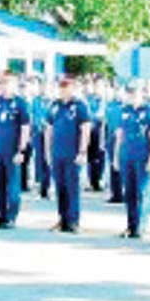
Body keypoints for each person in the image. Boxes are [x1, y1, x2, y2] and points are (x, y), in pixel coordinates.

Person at [44, 77, 91, 233]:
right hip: (57, 152)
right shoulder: (54, 105)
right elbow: (49, 129)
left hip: (73, 153)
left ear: (73, 88)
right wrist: (47, 151)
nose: (64, 90)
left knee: (72, 187)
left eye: (67, 87)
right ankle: (62, 219)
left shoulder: (80, 106)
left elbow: (85, 129)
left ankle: (73, 221)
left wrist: (82, 151)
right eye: (61, 87)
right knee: (60, 187)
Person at [0, 72, 30, 229]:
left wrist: (21, 150)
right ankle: (1, 215)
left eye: (8, 83)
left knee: (12, 185)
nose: (4, 86)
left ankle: (11, 217)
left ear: (14, 85)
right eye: (2, 83)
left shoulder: (20, 103)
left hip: (12, 151)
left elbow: (25, 128)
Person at [115, 81, 150, 238]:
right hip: (127, 155)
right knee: (129, 192)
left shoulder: (149, 111)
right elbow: (119, 135)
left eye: (135, 93)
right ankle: (130, 225)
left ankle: (141, 226)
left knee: (142, 191)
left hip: (143, 156)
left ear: (142, 94)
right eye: (130, 93)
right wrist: (116, 156)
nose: (132, 96)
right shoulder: (124, 110)